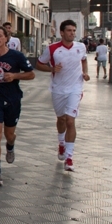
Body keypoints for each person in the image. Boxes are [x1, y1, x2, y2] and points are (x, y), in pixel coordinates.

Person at [0, 26, 35, 186]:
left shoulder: (16, 56)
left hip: (12, 99)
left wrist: (15, 75)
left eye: (0, 36)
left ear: (6, 38)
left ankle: (10, 146)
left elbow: (31, 74)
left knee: (9, 134)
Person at [35, 19, 90, 172]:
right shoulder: (52, 49)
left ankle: (69, 157)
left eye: (74, 30)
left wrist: (85, 73)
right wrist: (52, 69)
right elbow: (39, 64)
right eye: (69, 31)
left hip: (75, 88)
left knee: (71, 121)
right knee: (61, 119)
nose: (72, 33)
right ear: (61, 32)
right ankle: (61, 143)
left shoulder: (81, 47)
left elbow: (84, 61)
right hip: (58, 89)